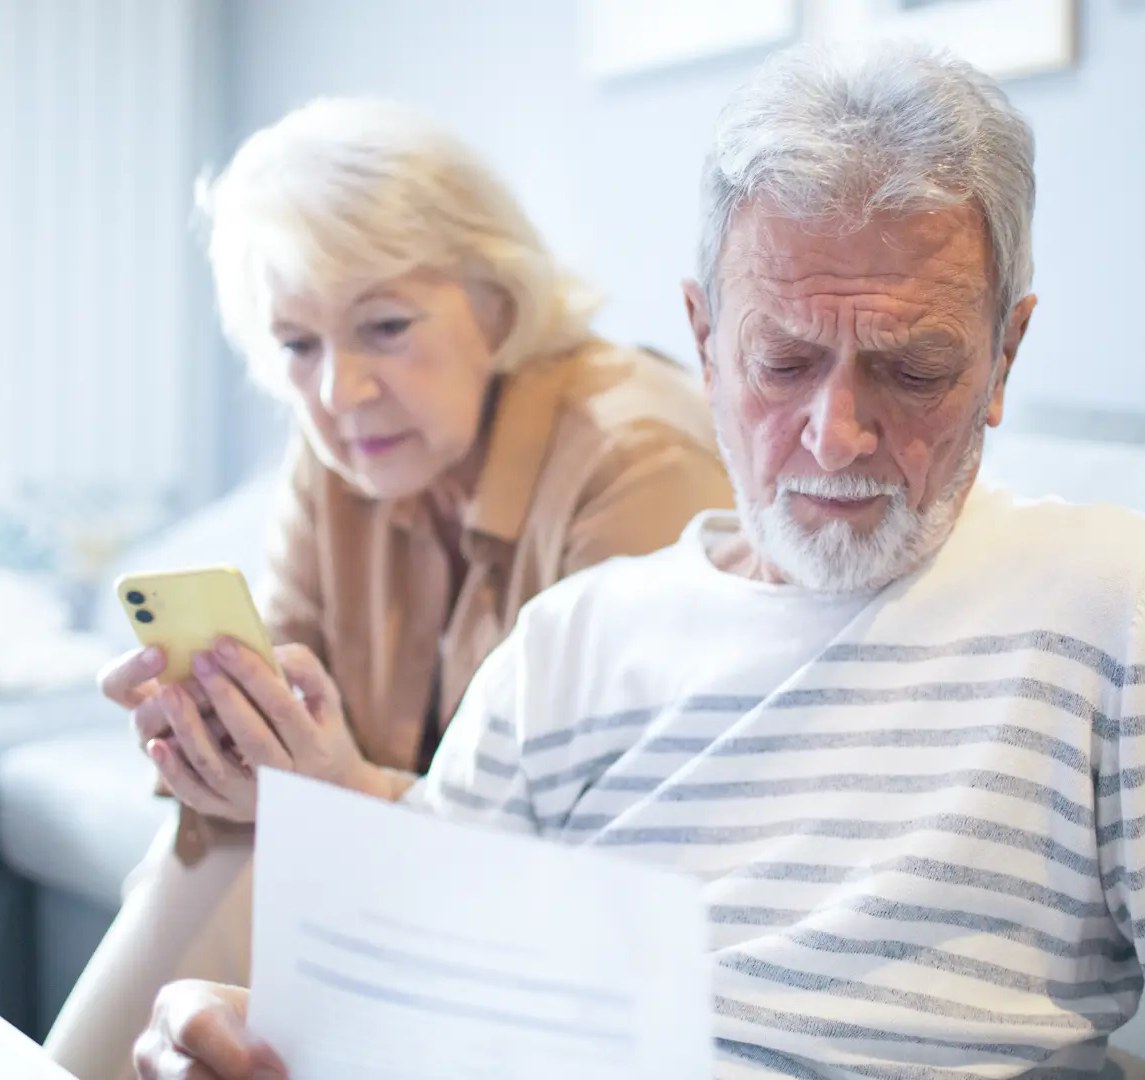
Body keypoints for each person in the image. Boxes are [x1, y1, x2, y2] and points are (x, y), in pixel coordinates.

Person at [129, 41, 1145, 1080]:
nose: (841, 432)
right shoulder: (576, 640)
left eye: (914, 366)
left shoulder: (1118, 601)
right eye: (784, 361)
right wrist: (264, 1039)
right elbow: (423, 977)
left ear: (1006, 355)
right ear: (703, 340)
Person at [44, 98, 733, 1080]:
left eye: (385, 326)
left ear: (497, 305)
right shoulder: (338, 451)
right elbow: (284, 770)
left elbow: (607, 874)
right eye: (298, 344)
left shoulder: (636, 460)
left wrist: (330, 789)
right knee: (213, 846)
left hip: (567, 931)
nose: (338, 393)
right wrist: (220, 747)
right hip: (396, 880)